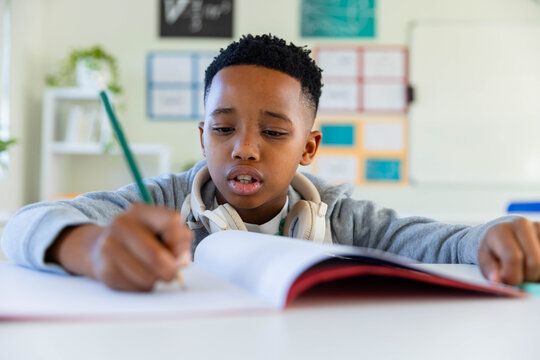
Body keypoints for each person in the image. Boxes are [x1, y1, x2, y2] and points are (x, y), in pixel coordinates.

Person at [2, 34, 539, 292]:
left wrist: (489, 236)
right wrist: (91, 246)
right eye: (223, 128)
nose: (244, 148)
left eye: (275, 132)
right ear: (202, 135)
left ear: (308, 148)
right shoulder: (158, 199)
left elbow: (438, 243)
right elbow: (23, 224)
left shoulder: (340, 214)